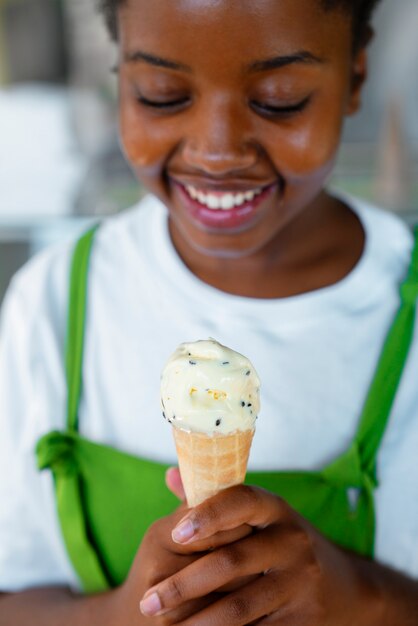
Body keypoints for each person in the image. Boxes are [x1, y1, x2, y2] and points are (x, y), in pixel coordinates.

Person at [1, 0, 418, 623]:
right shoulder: (55, 301)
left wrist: (363, 597)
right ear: (121, 79)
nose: (218, 152)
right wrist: (119, 615)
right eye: (162, 95)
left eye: (279, 99)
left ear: (355, 77)